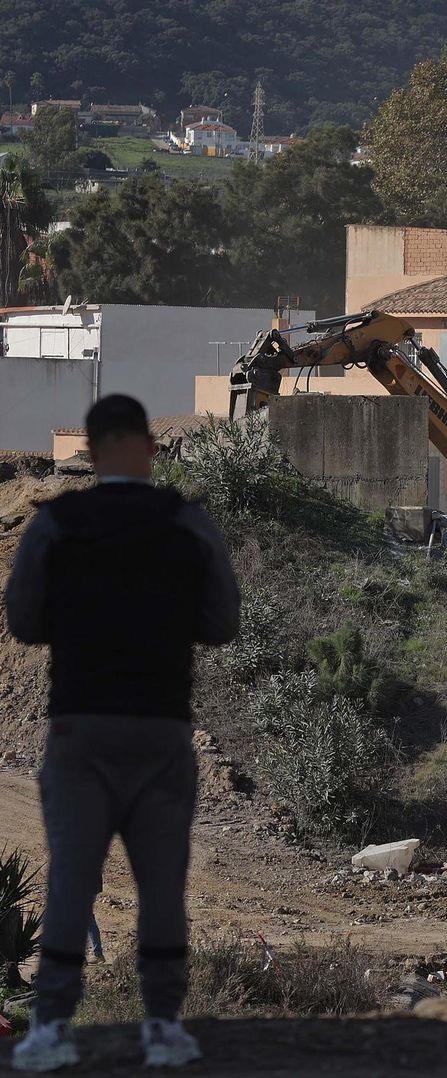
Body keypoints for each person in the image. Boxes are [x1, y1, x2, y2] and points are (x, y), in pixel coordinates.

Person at [4, 395, 241, 1071]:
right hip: (162, 733)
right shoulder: (186, 521)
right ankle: (163, 1029)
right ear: (147, 447)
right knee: (162, 889)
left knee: (72, 882)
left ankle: (49, 1031)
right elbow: (221, 623)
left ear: (91, 447)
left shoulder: (56, 523)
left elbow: (22, 621)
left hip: (80, 730)